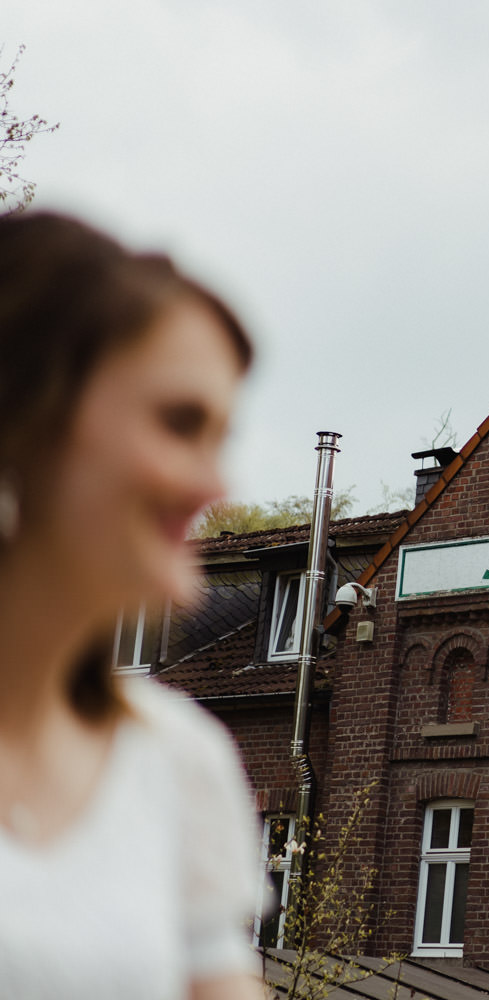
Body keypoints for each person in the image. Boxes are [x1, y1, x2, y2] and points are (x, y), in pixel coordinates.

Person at [0, 212, 266, 999]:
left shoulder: (179, 759)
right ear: (25, 419)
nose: (216, 486)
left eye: (222, 437)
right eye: (180, 423)